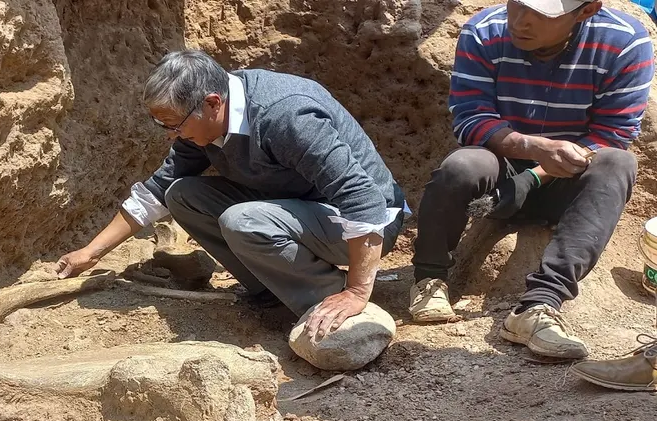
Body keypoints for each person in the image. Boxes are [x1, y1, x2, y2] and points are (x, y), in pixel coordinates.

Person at [56, 50, 409, 340]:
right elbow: (160, 190)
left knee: (242, 220)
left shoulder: (285, 116)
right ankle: (271, 291)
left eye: (174, 125)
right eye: (162, 126)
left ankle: (327, 300)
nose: (169, 136)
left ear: (212, 103)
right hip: (303, 209)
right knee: (184, 195)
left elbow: (363, 199)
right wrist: (91, 252)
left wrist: (357, 291)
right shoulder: (205, 124)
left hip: (368, 223)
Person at [408, 0, 654, 359]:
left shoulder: (624, 42)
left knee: (618, 163)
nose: (520, 21)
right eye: (516, 4)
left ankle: (539, 305)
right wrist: (532, 148)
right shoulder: (484, 30)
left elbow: (612, 133)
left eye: (542, 13)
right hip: (501, 168)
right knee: (463, 165)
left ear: (586, 11)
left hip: (572, 179)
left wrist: (536, 176)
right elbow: (470, 117)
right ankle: (429, 278)